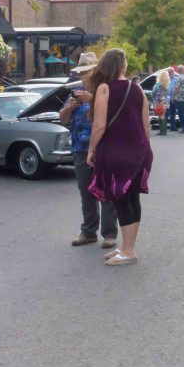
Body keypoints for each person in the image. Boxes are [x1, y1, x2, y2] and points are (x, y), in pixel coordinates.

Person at [87, 48, 153, 266]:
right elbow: (146, 125)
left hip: (117, 151)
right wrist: (144, 149)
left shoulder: (104, 88)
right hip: (140, 151)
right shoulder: (138, 89)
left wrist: (91, 150)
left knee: (121, 199)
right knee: (133, 198)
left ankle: (129, 251)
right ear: (123, 65)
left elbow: (99, 126)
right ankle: (127, 247)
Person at [59, 52, 118, 250]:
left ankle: (109, 234)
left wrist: (91, 99)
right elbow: (63, 119)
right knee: (86, 192)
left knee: (106, 191)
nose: (84, 75)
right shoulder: (75, 91)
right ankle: (88, 231)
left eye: (87, 71)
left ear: (96, 70)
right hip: (80, 149)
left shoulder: (105, 89)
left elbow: (113, 114)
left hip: (103, 147)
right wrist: (69, 107)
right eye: (81, 72)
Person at [151, 69, 171, 136]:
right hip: (166, 102)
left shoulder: (157, 85)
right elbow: (167, 94)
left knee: (160, 116)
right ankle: (164, 131)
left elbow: (153, 93)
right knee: (163, 115)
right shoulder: (167, 85)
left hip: (159, 102)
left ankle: (162, 131)